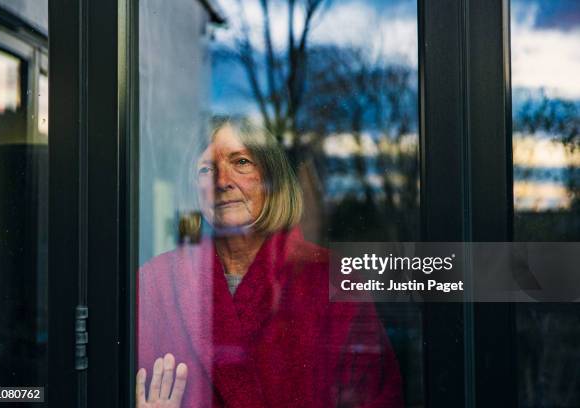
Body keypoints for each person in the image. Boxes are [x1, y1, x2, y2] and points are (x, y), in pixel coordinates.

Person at [136, 118, 403, 407]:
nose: (222, 181)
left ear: (273, 180)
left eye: (241, 162)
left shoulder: (331, 277)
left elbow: (375, 397)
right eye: (206, 169)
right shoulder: (156, 281)